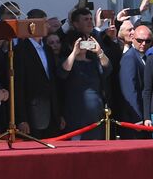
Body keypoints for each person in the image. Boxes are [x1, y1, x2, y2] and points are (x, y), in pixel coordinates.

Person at [59, 8, 111, 139]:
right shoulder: (67, 61)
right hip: (75, 112)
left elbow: (108, 68)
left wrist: (99, 51)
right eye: (81, 42)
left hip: (96, 112)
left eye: (86, 41)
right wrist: (74, 52)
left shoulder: (93, 61)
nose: (84, 45)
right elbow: (63, 72)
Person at [13, 8, 61, 139]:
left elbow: (52, 81)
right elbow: (18, 85)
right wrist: (22, 118)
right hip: (32, 113)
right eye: (44, 22)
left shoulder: (47, 49)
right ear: (33, 25)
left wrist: (58, 113)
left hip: (51, 112)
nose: (47, 26)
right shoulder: (20, 51)